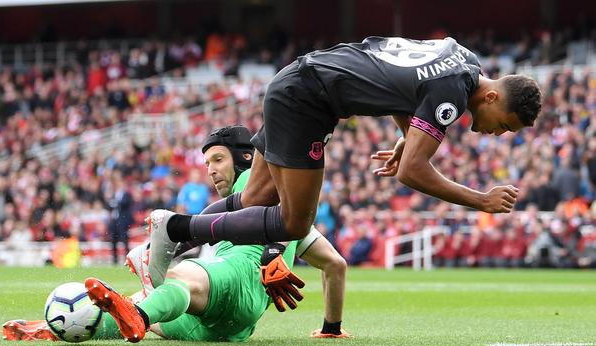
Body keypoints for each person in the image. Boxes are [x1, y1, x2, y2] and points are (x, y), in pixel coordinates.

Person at [144, 36, 541, 291]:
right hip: (309, 101)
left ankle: (168, 245)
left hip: (296, 79)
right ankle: (174, 227)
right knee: (294, 222)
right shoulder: (453, 92)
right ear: (491, 99)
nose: (498, 134)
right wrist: (482, 201)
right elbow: (412, 173)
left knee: (255, 196)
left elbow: (402, 80)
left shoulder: (463, 59)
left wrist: (406, 137)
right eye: (504, 126)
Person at [3, 126, 347, 342]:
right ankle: (68, 327)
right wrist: (332, 327)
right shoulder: (293, 220)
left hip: (237, 278)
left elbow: (268, 200)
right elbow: (335, 266)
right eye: (207, 163)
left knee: (180, 278)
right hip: (231, 329)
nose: (211, 170)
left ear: (245, 158)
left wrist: (273, 251)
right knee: (148, 303)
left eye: (218, 159)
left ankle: (136, 309)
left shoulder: (250, 185)